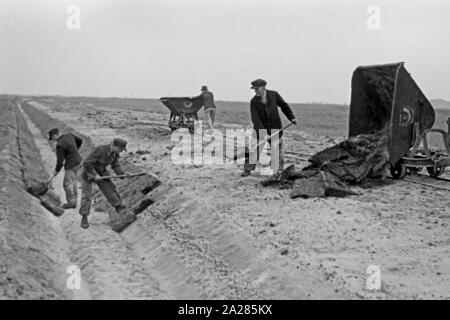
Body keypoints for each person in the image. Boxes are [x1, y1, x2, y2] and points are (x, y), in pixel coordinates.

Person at [242, 79, 297, 177]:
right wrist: (264, 134)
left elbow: (284, 106)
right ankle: (248, 169)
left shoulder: (274, 95)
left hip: (275, 128)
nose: (255, 91)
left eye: (257, 89)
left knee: (277, 151)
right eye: (254, 89)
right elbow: (256, 119)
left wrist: (291, 117)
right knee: (255, 149)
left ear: (263, 87)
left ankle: (279, 172)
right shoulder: (254, 101)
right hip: (259, 130)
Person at [79, 138, 128, 229]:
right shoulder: (100, 149)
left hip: (101, 172)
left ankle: (119, 207)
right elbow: (86, 162)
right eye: (120, 149)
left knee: (110, 188)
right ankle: (84, 216)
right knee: (86, 196)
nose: (121, 152)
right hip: (88, 173)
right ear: (113, 146)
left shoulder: (115, 154)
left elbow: (115, 165)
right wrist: (94, 175)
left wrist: (122, 174)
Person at [48, 128, 83, 209]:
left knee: (67, 184)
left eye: (52, 138)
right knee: (73, 182)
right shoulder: (69, 135)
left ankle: (71, 203)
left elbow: (60, 161)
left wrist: (56, 171)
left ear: (55, 135)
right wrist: (74, 151)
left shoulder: (60, 145)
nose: (53, 140)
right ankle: (74, 201)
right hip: (79, 162)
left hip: (71, 165)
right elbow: (80, 140)